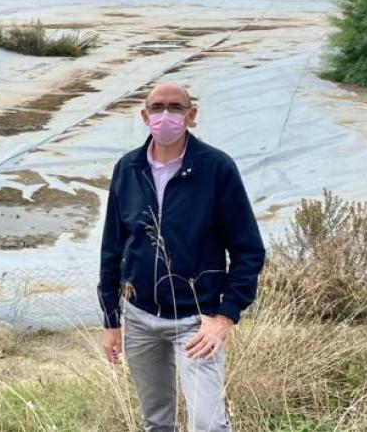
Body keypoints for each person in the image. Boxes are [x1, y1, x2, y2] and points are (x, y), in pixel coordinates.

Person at [98, 82, 266, 432]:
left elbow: (248, 249)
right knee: (156, 421)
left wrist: (225, 315)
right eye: (157, 107)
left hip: (196, 321)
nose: (166, 115)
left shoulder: (216, 169)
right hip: (140, 317)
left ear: (191, 115)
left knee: (208, 424)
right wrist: (112, 320)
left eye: (175, 107)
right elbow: (113, 247)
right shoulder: (128, 169)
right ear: (145, 116)